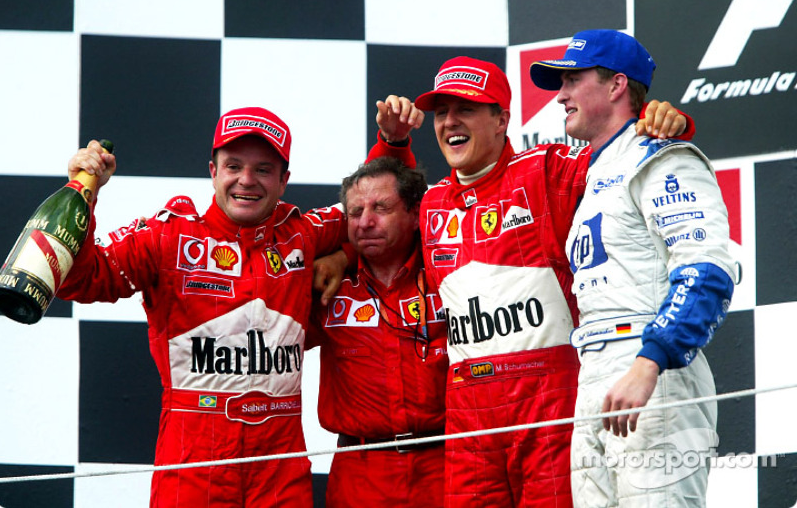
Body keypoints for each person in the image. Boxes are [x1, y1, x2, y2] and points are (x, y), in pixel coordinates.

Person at [365, 57, 694, 507]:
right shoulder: (432, 203)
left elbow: (623, 158)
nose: (450, 122)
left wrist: (663, 125)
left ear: (502, 119)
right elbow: (369, 219)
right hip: (467, 416)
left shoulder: (546, 169)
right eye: (441, 112)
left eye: (466, 109)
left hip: (549, 407)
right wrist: (393, 144)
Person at [57, 107, 348, 507]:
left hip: (280, 474)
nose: (246, 180)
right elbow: (81, 279)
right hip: (192, 469)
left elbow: (378, 218)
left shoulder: (302, 233)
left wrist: (342, 256)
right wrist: (83, 193)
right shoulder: (169, 236)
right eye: (233, 166)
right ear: (212, 171)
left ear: (284, 181)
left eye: (263, 169)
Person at [530, 29, 735, 507]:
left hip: (651, 373)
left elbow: (706, 271)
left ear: (617, 85)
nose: (559, 95)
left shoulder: (663, 157)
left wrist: (650, 362)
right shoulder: (592, 172)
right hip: (594, 373)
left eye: (572, 80)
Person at [307, 155, 448, 507]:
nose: (366, 222)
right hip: (360, 472)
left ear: (416, 214)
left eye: (381, 208)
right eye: (355, 213)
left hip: (445, 464)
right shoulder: (325, 284)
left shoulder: (450, 270)